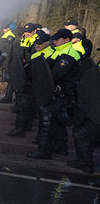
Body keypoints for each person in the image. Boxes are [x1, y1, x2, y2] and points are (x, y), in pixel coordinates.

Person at [28, 29, 80, 160]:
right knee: (58, 121)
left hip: (62, 93)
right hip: (57, 92)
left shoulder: (68, 54)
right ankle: (60, 148)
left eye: (58, 39)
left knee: (47, 118)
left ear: (67, 40)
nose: (54, 41)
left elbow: (54, 74)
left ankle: (44, 150)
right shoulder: (58, 51)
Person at [6, 23, 39, 137]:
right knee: (21, 103)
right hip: (21, 76)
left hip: (30, 77)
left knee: (26, 104)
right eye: (25, 31)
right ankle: (21, 125)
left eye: (29, 31)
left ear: (34, 31)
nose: (26, 33)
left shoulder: (37, 43)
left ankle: (22, 127)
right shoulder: (22, 41)